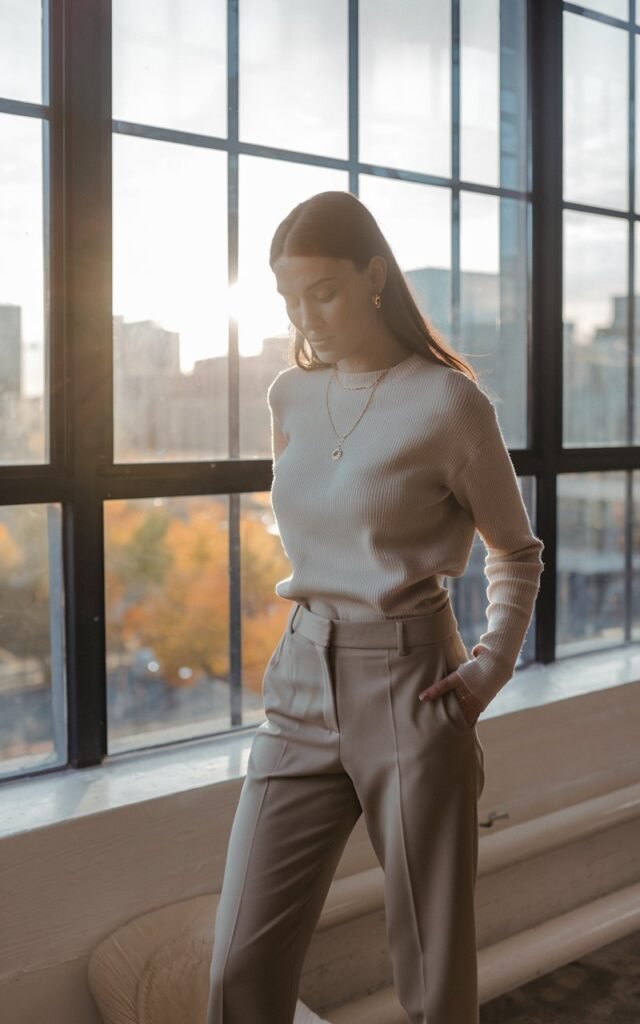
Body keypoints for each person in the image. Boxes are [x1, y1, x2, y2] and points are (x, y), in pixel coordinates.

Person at [205, 190, 545, 1024]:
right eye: (289, 299)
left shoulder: (449, 404)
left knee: (432, 976)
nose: (305, 314)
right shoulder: (289, 395)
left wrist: (491, 665)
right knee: (240, 965)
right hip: (297, 683)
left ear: (374, 275)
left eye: (321, 291)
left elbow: (516, 551)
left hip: (411, 683)